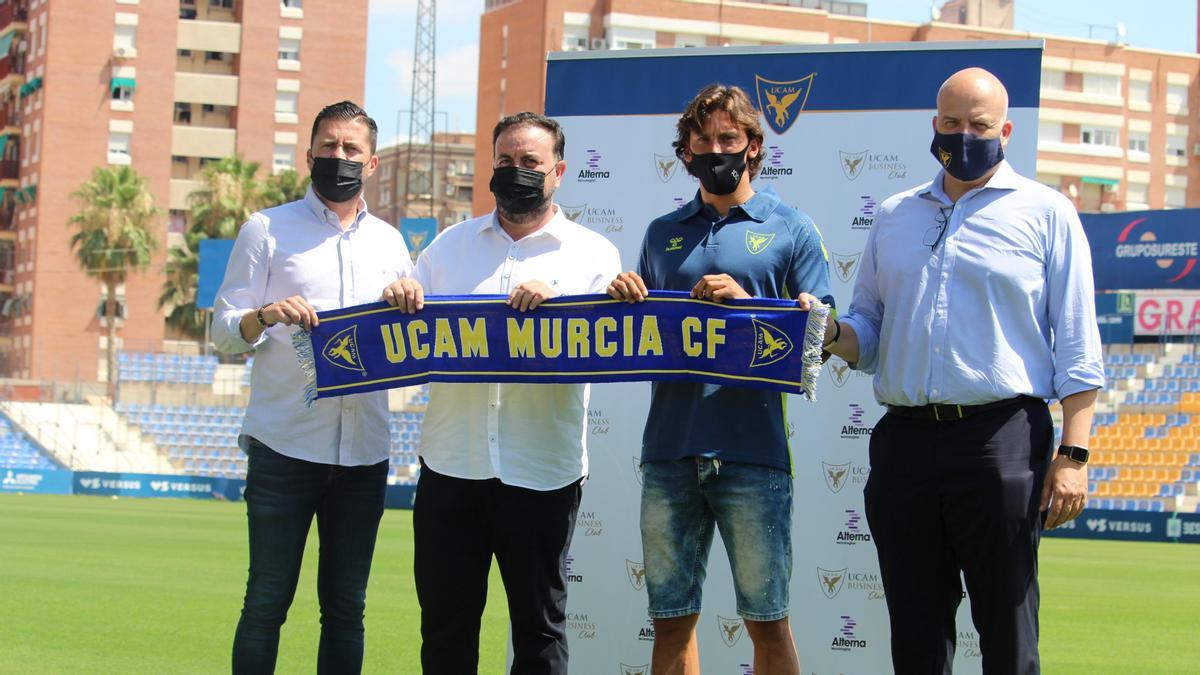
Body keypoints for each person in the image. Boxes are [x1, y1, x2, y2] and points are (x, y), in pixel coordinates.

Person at [806, 67, 1105, 673]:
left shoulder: (1048, 212)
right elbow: (870, 331)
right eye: (951, 123)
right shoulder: (894, 213)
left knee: (1006, 629)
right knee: (915, 633)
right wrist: (828, 331)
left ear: (1006, 130)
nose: (963, 135)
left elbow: (1078, 344)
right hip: (905, 440)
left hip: (1003, 439)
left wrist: (1072, 458)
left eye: (979, 125)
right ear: (933, 125)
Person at [381, 111, 621, 674]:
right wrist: (400, 296)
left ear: (558, 172)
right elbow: (408, 339)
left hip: (542, 471)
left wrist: (559, 301)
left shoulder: (594, 254)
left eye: (530, 163)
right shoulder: (445, 249)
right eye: (506, 162)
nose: (517, 172)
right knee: (445, 630)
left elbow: (608, 342)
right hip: (451, 466)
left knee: (539, 633)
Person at [607, 84, 834, 675]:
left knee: (768, 622)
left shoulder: (793, 229)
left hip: (753, 452)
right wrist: (627, 297)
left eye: (728, 138)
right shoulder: (660, 232)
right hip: (669, 451)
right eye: (702, 140)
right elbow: (643, 335)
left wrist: (749, 303)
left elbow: (821, 338)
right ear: (684, 153)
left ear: (754, 146)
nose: (715, 149)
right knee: (670, 621)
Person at [212, 101, 421, 674]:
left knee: (347, 609)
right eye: (329, 145)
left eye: (351, 148)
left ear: (372, 163)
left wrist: (409, 301)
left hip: (364, 452)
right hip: (284, 447)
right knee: (265, 603)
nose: (339, 157)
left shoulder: (392, 244)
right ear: (309, 154)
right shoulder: (267, 228)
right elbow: (224, 332)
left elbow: (413, 339)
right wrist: (266, 314)